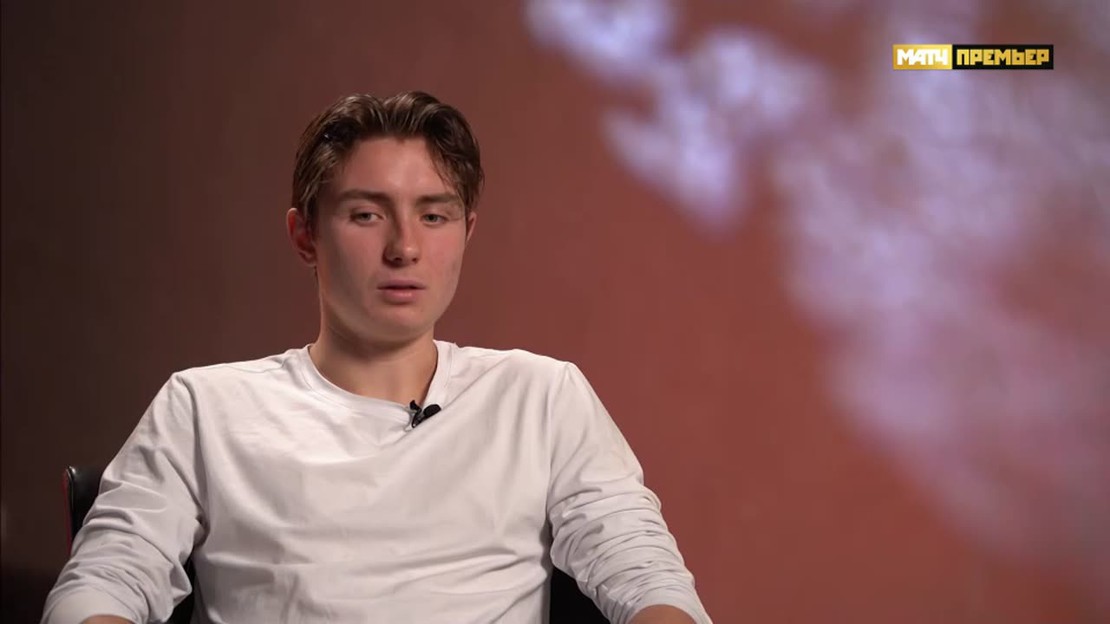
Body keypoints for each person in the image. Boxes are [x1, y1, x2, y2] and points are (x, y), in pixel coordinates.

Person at [42, 92, 711, 624]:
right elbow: (102, 583)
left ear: (467, 232)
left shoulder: (541, 396)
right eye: (366, 215)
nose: (405, 248)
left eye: (434, 216)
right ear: (305, 235)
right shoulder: (205, 408)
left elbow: (647, 578)